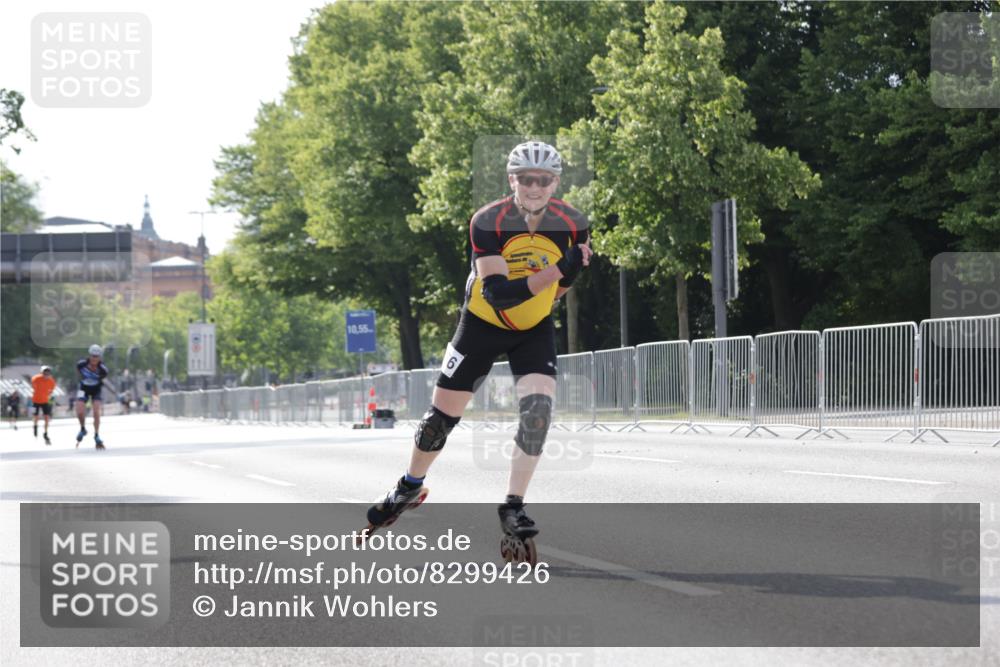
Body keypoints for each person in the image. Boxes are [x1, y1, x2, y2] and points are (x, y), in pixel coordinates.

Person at [365, 141, 592, 548]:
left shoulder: (574, 224)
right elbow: (500, 294)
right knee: (438, 423)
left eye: (543, 179)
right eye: (526, 178)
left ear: (556, 181)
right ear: (512, 179)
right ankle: (409, 486)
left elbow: (563, 287)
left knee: (538, 412)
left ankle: (513, 505)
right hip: (482, 323)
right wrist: (558, 268)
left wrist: (552, 285)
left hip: (533, 327)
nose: (535, 187)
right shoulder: (488, 221)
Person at [75, 344, 110, 450]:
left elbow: (102, 379)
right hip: (83, 388)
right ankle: (82, 428)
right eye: (93, 356)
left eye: (97, 356)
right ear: (89, 355)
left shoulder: (103, 369)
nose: (94, 358)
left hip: (96, 389)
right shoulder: (81, 364)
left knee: (96, 412)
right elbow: (79, 375)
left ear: (100, 357)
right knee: (80, 411)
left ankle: (96, 435)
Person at [31, 366, 57, 445]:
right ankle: (35, 426)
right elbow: (33, 386)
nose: (46, 374)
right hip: (35, 401)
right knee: (36, 416)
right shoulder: (36, 378)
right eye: (45, 372)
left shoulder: (51, 381)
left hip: (45, 401)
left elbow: (51, 391)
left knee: (46, 417)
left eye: (48, 373)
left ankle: (45, 433)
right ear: (42, 373)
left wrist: (47, 395)